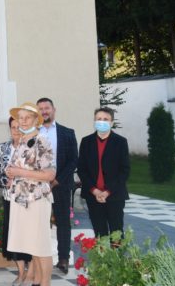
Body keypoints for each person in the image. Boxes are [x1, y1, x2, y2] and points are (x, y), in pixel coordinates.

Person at [5, 102, 56, 286]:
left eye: (27, 117)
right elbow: (20, 168)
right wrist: (11, 174)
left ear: (36, 120)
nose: (23, 121)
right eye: (20, 118)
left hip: (37, 199)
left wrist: (20, 173)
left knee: (41, 245)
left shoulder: (42, 140)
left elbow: (50, 174)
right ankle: (36, 280)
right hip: (21, 199)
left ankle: (45, 283)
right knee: (32, 245)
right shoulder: (23, 141)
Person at [36, 98, 77, 275]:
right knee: (39, 224)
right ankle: (38, 259)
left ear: (54, 110)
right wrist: (42, 180)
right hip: (37, 186)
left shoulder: (67, 133)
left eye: (47, 108)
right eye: (41, 109)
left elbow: (73, 159)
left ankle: (63, 259)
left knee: (63, 223)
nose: (44, 111)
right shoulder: (32, 133)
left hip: (60, 185)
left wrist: (56, 180)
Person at [77, 107, 130, 239]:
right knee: (99, 232)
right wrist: (94, 190)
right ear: (94, 121)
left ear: (112, 122)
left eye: (105, 119)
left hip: (114, 195)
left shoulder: (120, 142)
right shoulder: (86, 141)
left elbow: (124, 170)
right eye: (99, 119)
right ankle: (101, 260)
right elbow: (82, 169)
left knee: (116, 233)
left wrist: (107, 191)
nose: (102, 121)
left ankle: (117, 259)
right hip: (93, 196)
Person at [0, 117, 32, 286]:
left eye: (20, 127)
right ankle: (20, 273)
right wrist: (7, 180)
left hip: (28, 198)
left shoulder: (32, 147)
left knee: (28, 235)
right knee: (14, 234)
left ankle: (31, 272)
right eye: (13, 127)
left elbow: (37, 171)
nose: (16, 130)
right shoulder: (3, 147)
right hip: (10, 197)